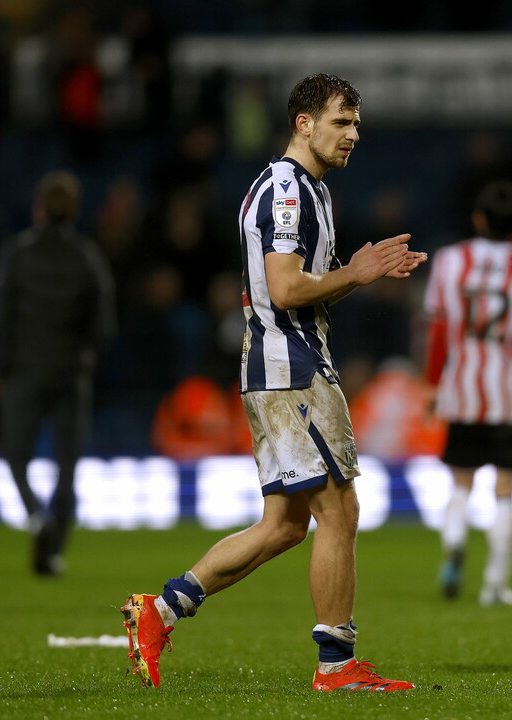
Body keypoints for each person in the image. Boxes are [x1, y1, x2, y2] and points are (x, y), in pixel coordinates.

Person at [120, 73, 427, 691]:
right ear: (303, 123)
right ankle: (337, 666)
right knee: (339, 511)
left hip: (284, 362)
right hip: (290, 368)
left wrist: (350, 274)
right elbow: (285, 290)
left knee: (285, 525)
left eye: (357, 124)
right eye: (342, 122)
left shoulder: (305, 189)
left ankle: (160, 610)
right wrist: (358, 273)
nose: (354, 134)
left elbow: (293, 288)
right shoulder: (286, 194)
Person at [423, 180, 512, 607]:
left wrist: (432, 387)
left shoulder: (450, 262)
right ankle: (494, 586)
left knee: (461, 483)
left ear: (479, 218)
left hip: (462, 390)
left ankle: (454, 544)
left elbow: (438, 332)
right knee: (504, 488)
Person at [0, 170, 116, 576]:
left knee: (14, 455)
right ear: (75, 210)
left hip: (26, 370)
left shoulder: (18, 253)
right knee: (66, 465)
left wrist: (2, 365)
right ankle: (54, 552)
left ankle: (35, 514)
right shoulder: (87, 257)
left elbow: (3, 314)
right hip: (71, 372)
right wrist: (87, 359)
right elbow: (103, 324)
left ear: (39, 207)